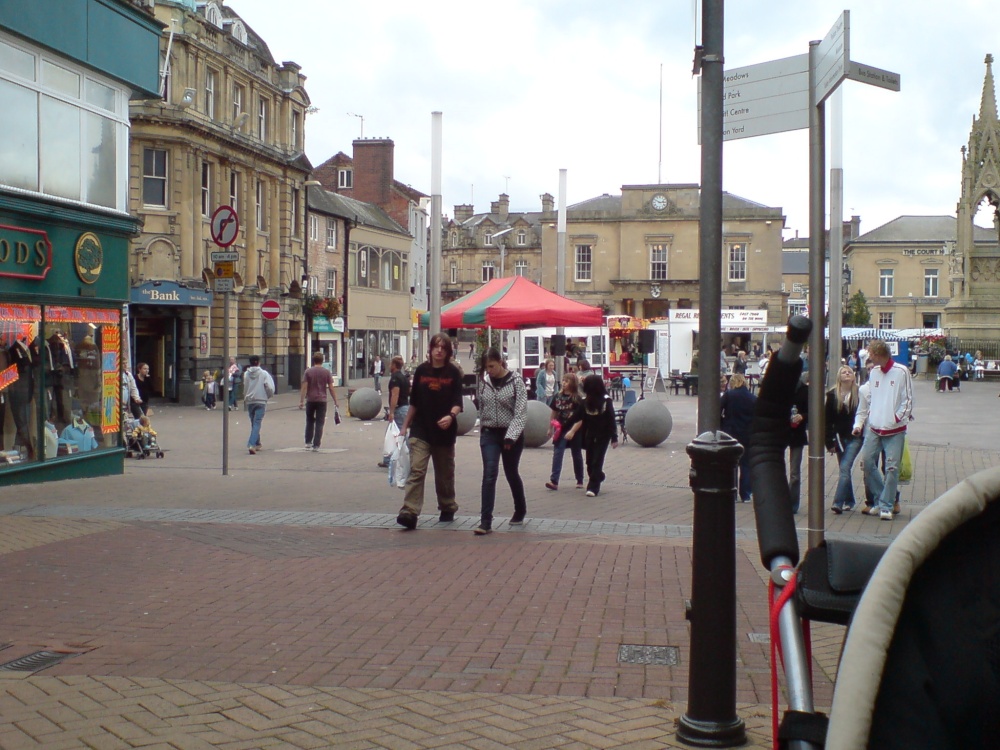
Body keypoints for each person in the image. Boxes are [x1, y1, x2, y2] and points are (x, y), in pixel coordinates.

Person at [397, 333, 463, 530]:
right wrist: (404, 427)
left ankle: (447, 505)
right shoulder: (421, 371)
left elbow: (458, 402)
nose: (439, 350)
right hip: (421, 429)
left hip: (444, 432)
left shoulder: (453, 373)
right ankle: (409, 511)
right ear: (430, 349)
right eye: (436, 346)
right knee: (417, 469)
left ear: (448, 351)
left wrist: (450, 416)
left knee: (444, 474)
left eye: (443, 347)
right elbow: (414, 402)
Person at [854, 339, 913, 521]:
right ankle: (881, 499)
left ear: (880, 354)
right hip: (875, 426)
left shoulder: (902, 371)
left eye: (872, 354)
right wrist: (867, 418)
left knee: (892, 467)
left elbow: (908, 399)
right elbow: (870, 396)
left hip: (895, 428)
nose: (869, 357)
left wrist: (897, 417)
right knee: (867, 463)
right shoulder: (874, 373)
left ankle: (886, 504)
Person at [474, 348, 528, 535]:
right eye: (486, 367)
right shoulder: (483, 382)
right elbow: (481, 405)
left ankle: (520, 509)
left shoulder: (516, 381)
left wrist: (511, 435)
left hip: (510, 434)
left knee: (511, 472)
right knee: (489, 473)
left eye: (492, 366)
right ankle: (485, 521)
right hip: (490, 433)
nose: (489, 370)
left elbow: (520, 413)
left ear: (500, 362)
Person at [564, 374, 618, 497]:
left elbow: (611, 419)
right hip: (590, 434)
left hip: (603, 435)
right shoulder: (585, 401)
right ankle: (599, 475)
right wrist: (563, 427)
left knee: (597, 460)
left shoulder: (606, 400)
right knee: (589, 461)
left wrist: (614, 437)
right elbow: (576, 417)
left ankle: (593, 487)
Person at [826, 365, 862, 513]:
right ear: (839, 377)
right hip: (839, 438)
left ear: (853, 376)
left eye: (849, 372)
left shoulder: (860, 394)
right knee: (844, 470)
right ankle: (850, 500)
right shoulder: (832, 395)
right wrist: (828, 442)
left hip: (855, 437)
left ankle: (838, 503)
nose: (847, 374)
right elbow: (827, 420)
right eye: (843, 372)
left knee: (845, 467)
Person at [546, 371, 585, 492]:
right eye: (563, 380)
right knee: (558, 452)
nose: (563, 383)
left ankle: (579, 479)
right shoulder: (558, 396)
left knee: (576, 454)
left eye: (566, 381)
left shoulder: (577, 398)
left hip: (574, 429)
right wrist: (550, 427)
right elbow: (554, 411)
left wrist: (573, 431)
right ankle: (554, 480)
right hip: (560, 428)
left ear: (572, 383)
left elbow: (581, 418)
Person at [720, 372, 756, 503]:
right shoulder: (752, 398)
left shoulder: (729, 395)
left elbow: (718, 409)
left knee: (732, 464)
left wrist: (722, 423)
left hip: (731, 433)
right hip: (747, 435)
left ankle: (732, 492)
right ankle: (745, 494)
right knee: (746, 465)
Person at [299, 352, 339, 451]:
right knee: (320, 422)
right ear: (322, 361)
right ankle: (316, 445)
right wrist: (335, 400)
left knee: (309, 421)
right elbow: (331, 388)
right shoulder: (326, 372)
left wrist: (301, 401)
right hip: (322, 400)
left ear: (313, 360)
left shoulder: (308, 372)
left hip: (310, 399)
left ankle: (308, 442)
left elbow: (304, 387)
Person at [380, 355, 411, 468]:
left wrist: (391, 411)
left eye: (390, 364)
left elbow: (395, 395)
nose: (389, 366)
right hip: (405, 407)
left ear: (394, 365)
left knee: (396, 434)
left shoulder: (395, 378)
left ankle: (390, 459)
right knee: (398, 433)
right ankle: (389, 458)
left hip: (399, 409)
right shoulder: (403, 377)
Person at [787, 371, 809, 514]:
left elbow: (812, 411)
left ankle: (792, 504)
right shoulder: (779, 389)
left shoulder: (805, 390)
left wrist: (802, 416)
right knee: (774, 469)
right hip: (780, 433)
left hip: (797, 433)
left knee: (794, 472)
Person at [243, 354, 275, 455]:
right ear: (259, 362)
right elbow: (269, 387)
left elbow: (245, 387)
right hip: (261, 400)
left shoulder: (246, 374)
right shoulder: (264, 373)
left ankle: (257, 443)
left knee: (253, 422)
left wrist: (246, 398)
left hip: (250, 401)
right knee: (257, 423)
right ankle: (251, 444)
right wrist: (269, 396)